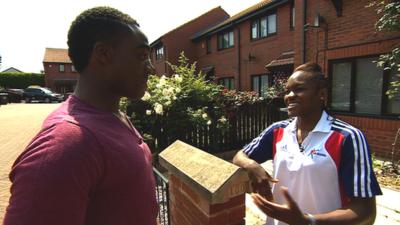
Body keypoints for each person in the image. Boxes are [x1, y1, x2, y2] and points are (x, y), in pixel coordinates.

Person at [3, 7, 158, 225]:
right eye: (142, 56)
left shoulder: (114, 116)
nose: (150, 68)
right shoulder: (67, 144)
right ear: (103, 54)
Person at [233, 63, 382, 225]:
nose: (289, 95)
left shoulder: (347, 137)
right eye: (287, 90)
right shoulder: (277, 131)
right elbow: (239, 156)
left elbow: (365, 211)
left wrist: (307, 221)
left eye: (299, 89)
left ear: (322, 95)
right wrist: (252, 167)